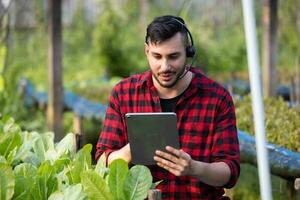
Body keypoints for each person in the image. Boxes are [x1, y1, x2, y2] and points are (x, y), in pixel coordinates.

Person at [96, 15, 240, 199]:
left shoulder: (217, 98)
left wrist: (194, 168)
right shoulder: (123, 94)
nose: (165, 66)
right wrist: (132, 150)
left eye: (173, 57)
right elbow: (101, 161)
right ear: (147, 51)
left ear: (188, 53)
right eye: (157, 56)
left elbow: (230, 171)